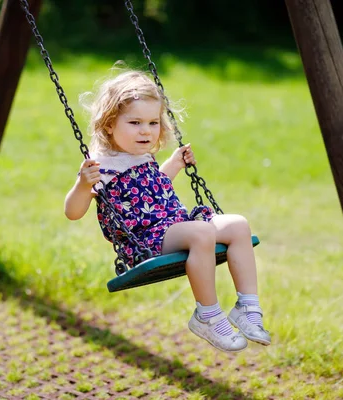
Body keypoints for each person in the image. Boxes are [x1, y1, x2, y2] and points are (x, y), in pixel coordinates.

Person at [64, 70, 271, 353]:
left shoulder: (142, 157)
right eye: (135, 122)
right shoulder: (102, 166)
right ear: (110, 124)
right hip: (145, 242)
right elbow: (73, 212)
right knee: (201, 232)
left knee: (238, 225)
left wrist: (174, 165)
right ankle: (207, 315)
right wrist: (81, 185)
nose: (146, 131)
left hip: (174, 226)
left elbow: (152, 193)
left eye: (153, 122)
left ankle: (247, 307)